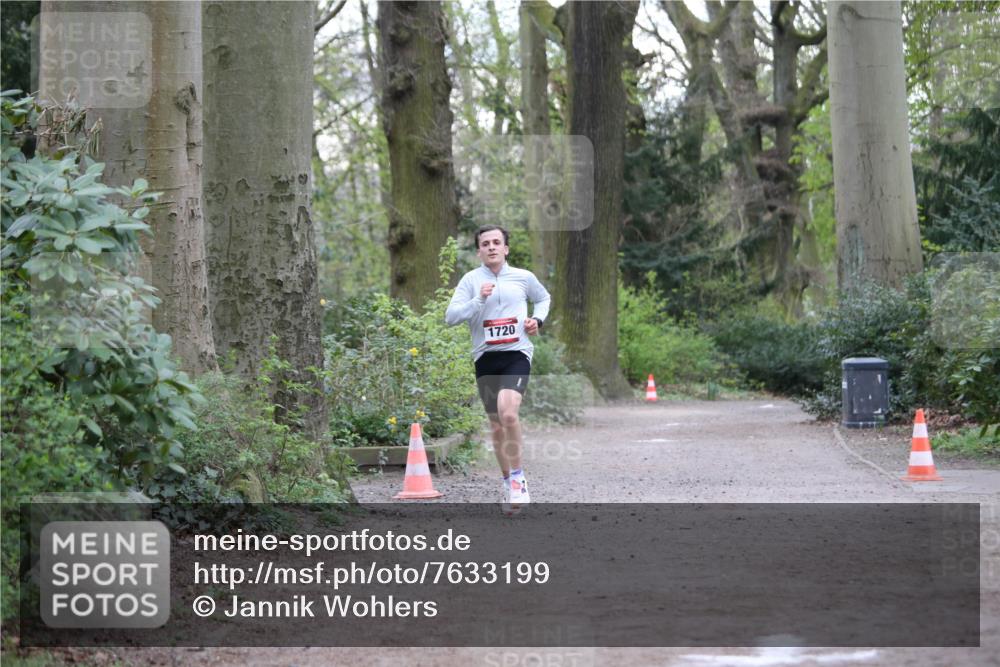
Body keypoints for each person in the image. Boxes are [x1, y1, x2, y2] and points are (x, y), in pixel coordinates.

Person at [445, 225, 551, 514]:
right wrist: (478, 300)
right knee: (495, 424)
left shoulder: (523, 277)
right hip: (485, 358)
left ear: (506, 248)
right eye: (485, 243)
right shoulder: (470, 281)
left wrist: (537, 320)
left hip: (516, 353)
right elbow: (451, 317)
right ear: (479, 251)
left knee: (508, 413)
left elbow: (543, 298)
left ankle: (518, 479)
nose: (491, 247)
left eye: (496, 242)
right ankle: (507, 481)